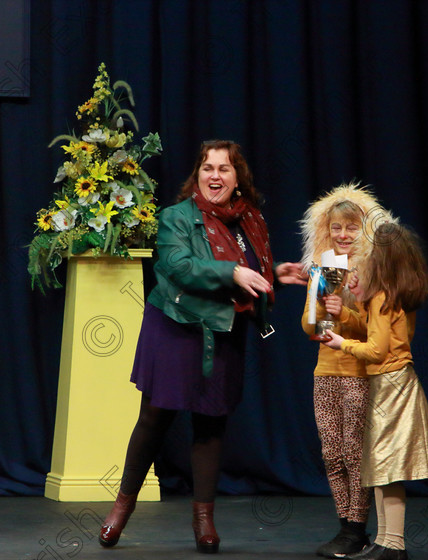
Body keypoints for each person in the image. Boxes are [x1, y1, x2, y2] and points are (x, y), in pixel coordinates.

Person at [98, 139, 304, 554]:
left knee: (211, 424)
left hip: (224, 328)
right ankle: (121, 509)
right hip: (175, 325)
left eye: (224, 169)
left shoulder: (251, 220)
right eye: (207, 168)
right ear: (198, 174)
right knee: (155, 417)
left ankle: (204, 521)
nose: (215, 176)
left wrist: (274, 275)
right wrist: (232, 273)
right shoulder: (176, 216)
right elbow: (178, 266)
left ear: (237, 178)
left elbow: (251, 273)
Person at [322, 221, 428, 560]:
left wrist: (343, 342)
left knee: (386, 468)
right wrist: (359, 300)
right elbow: (380, 332)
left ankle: (394, 543)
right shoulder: (389, 295)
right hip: (392, 383)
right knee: (379, 467)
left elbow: (375, 349)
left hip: (391, 384)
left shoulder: (383, 298)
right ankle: (386, 541)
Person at [299, 183, 392, 558]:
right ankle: (345, 527)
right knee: (332, 454)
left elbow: (376, 331)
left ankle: (358, 528)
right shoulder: (320, 270)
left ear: (365, 229)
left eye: (351, 227)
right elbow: (308, 329)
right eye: (336, 228)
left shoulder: (373, 274)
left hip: (358, 373)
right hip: (325, 373)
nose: (343, 235)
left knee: (356, 454)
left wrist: (346, 311)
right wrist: (322, 307)